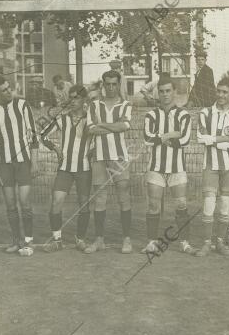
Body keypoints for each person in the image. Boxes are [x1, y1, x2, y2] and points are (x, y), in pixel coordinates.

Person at [0, 75, 39, 256]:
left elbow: (33, 136)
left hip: (23, 161)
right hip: (3, 164)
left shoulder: (22, 105)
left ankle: (29, 242)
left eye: (9, 88)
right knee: (10, 205)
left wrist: (35, 162)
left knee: (25, 203)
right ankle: (16, 241)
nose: (9, 92)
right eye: (4, 90)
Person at [142, 74, 197, 256]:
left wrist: (161, 138)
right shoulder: (151, 114)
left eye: (168, 91)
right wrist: (171, 135)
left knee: (181, 205)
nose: (165, 94)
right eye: (161, 91)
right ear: (157, 93)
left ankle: (185, 242)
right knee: (153, 206)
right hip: (156, 167)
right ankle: (151, 242)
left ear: (174, 92)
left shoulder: (183, 114)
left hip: (177, 168)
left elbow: (185, 140)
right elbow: (147, 139)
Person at [84, 70, 134, 254]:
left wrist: (102, 125)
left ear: (119, 84)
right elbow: (90, 130)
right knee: (100, 198)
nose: (111, 87)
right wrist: (114, 127)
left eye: (114, 84)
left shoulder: (125, 104)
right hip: (98, 156)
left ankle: (126, 239)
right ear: (103, 85)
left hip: (119, 156)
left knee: (123, 197)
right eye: (108, 84)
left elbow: (125, 126)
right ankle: (99, 240)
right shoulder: (93, 106)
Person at [41, 85, 93, 252]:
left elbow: (101, 139)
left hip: (84, 169)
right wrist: (56, 149)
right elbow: (43, 135)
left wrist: (92, 152)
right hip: (65, 168)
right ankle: (57, 240)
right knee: (56, 201)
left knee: (84, 204)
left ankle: (80, 238)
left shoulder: (91, 120)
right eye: (70, 98)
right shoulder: (63, 119)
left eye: (76, 98)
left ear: (84, 100)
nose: (72, 101)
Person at [195, 78, 229, 257]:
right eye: (219, 91)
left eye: (225, 92)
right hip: (210, 165)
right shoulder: (205, 113)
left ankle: (220, 242)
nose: (221, 95)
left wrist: (212, 139)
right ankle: (206, 243)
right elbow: (200, 138)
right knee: (208, 204)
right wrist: (223, 138)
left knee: (224, 205)